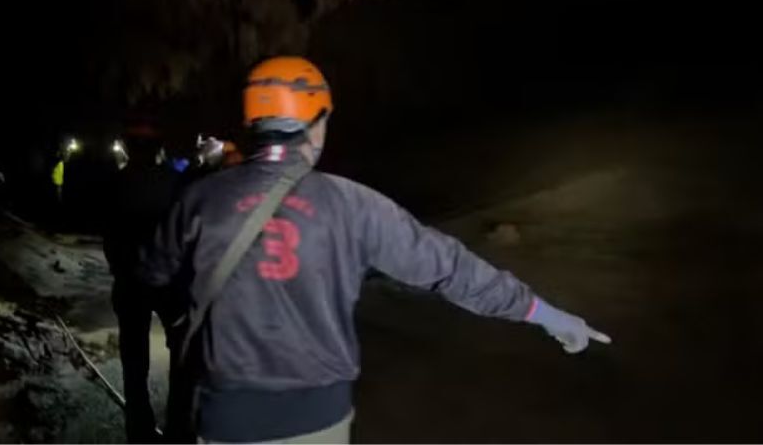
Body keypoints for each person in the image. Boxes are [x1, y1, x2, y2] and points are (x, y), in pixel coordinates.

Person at [155, 57, 611, 443]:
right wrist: (549, 316)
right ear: (316, 122)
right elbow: (451, 268)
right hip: (317, 419)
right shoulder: (354, 204)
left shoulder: (200, 199)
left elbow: (154, 272)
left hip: (225, 415)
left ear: (254, 123)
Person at [102, 126, 186, 443]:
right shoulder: (175, 183)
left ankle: (140, 430)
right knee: (180, 355)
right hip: (168, 284)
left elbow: (109, 233)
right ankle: (178, 427)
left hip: (132, 282)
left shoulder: (118, 183)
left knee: (135, 360)